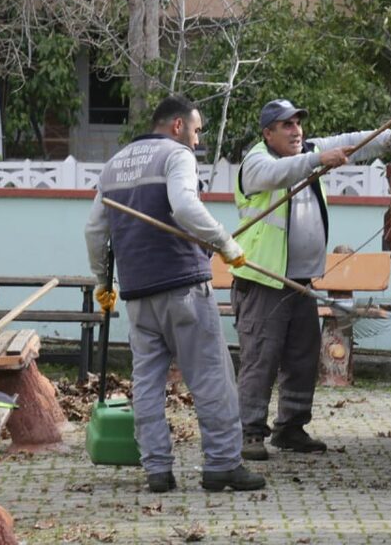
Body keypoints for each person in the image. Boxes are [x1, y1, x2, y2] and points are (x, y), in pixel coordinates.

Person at [83, 94, 265, 493]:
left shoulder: (113, 166)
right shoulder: (176, 155)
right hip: (183, 289)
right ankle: (221, 465)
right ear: (178, 126)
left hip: (137, 296)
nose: (197, 141)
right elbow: (184, 208)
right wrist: (224, 244)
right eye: (197, 130)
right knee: (213, 378)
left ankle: (157, 471)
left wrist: (102, 283)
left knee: (147, 384)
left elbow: (95, 231)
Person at [233, 99, 391, 460]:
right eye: (286, 125)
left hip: (301, 281)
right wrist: (318, 160)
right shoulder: (256, 162)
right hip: (264, 279)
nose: (296, 131)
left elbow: (354, 140)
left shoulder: (308, 151)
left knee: (303, 357)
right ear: (267, 133)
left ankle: (290, 428)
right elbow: (283, 173)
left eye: (298, 124)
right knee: (261, 359)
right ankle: (249, 433)